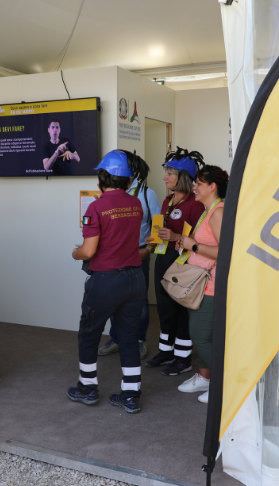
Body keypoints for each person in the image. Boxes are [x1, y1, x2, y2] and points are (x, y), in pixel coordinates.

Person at [70, 150, 148, 414]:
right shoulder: (135, 204)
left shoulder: (96, 207)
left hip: (105, 282)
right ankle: (130, 394)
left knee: (89, 333)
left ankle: (88, 387)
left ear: (103, 177)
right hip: (135, 280)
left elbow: (89, 251)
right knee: (128, 336)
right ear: (127, 180)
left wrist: (75, 252)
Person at [144, 147, 205, 376]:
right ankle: (165, 351)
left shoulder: (195, 204)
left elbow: (202, 239)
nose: (164, 177)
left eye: (170, 173)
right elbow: (161, 231)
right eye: (165, 172)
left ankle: (183, 357)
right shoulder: (167, 200)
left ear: (183, 177)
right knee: (164, 308)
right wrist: (153, 240)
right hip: (163, 257)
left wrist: (177, 237)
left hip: (183, 262)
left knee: (181, 310)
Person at [175, 165, 228, 403]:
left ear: (212, 186)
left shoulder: (218, 212)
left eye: (198, 183)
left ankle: (223, 385)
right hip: (200, 283)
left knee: (200, 337)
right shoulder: (208, 210)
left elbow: (226, 250)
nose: (194, 187)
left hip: (212, 285)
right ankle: (206, 379)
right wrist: (187, 244)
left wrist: (193, 246)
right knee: (203, 335)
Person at [97, 160, 159, 359]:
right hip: (115, 256)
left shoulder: (147, 194)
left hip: (139, 254)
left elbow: (158, 225)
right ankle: (116, 338)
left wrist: (148, 250)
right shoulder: (110, 194)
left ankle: (138, 341)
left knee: (138, 301)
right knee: (116, 299)